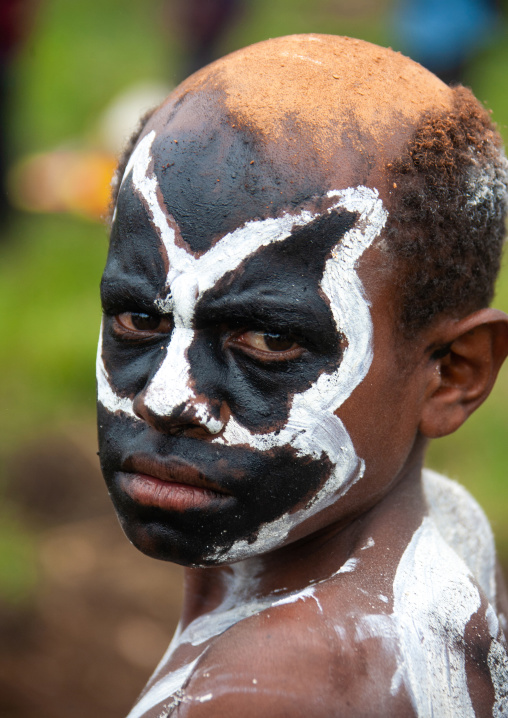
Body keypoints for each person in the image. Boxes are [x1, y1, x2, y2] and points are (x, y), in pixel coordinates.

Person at [96, 34, 508, 717]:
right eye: (139, 320)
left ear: (453, 374)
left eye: (268, 339)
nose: (165, 397)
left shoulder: (268, 693)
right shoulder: (444, 533)